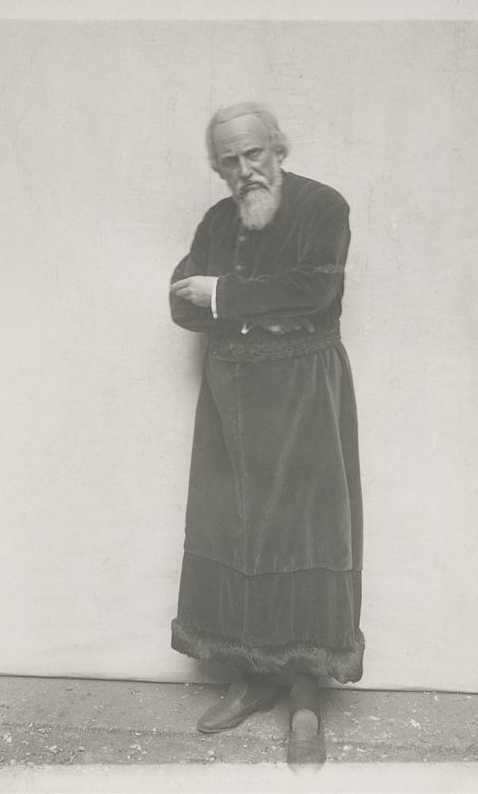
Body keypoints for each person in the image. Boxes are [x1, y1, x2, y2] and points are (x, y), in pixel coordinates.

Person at [169, 102, 364, 764]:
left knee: (305, 532)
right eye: (229, 160)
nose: (245, 169)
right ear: (217, 167)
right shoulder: (216, 221)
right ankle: (250, 678)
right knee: (235, 529)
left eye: (254, 153)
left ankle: (305, 698)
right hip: (231, 398)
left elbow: (315, 293)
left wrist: (224, 297)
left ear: (279, 147)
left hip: (305, 392)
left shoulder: (323, 207)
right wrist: (255, 308)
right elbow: (178, 301)